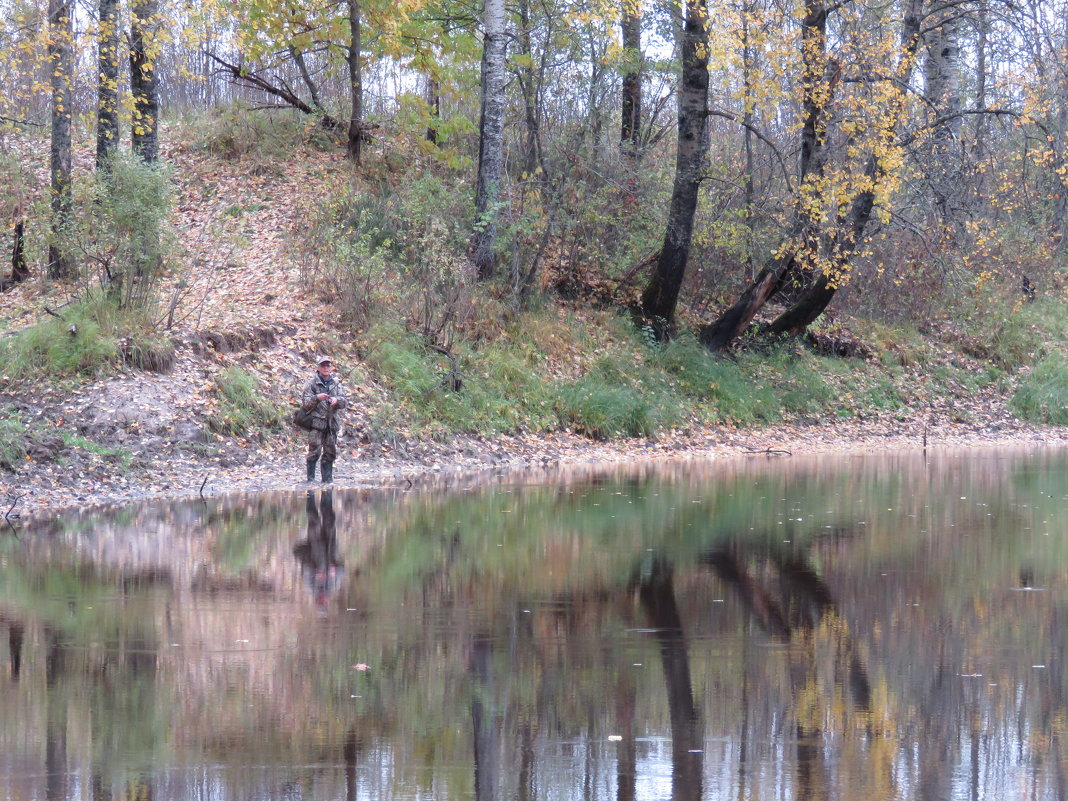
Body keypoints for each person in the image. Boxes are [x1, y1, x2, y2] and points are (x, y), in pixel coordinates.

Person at [301, 356, 348, 482]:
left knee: (330, 453)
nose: (326, 368)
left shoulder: (337, 384)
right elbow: (306, 403)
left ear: (332, 367)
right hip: (316, 424)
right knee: (314, 452)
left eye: (328, 365)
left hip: (332, 425)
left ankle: (327, 481)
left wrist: (336, 400)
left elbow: (344, 402)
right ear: (318, 367)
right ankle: (310, 480)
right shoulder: (311, 384)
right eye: (323, 365)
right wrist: (317, 398)